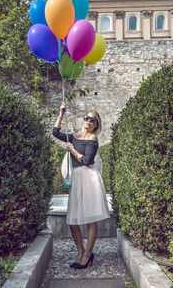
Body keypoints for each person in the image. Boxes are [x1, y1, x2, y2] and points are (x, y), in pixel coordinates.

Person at [53, 102, 110, 269]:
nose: (89, 121)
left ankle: (87, 255)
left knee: (91, 218)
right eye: (87, 118)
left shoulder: (93, 139)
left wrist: (72, 150)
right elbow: (55, 132)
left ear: (96, 124)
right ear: (83, 120)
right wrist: (61, 113)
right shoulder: (74, 137)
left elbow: (87, 161)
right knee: (73, 219)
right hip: (77, 179)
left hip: (88, 178)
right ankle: (81, 251)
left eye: (92, 120)